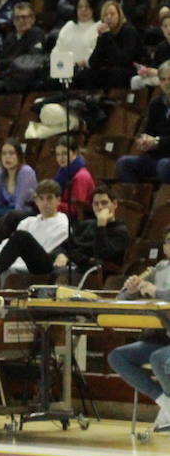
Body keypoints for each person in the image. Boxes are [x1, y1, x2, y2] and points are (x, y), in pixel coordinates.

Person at [106, 227, 170, 432]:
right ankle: (166, 403)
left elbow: (159, 293)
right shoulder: (159, 268)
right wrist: (131, 288)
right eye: (169, 241)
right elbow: (121, 299)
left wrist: (156, 291)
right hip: (161, 338)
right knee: (118, 357)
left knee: (159, 358)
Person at [0, 179, 69, 288]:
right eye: (41, 198)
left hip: (45, 265)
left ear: (58, 200)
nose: (45, 203)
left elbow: (49, 250)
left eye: (49, 198)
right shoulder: (28, 222)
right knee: (16, 239)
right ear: (36, 201)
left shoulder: (63, 223)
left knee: (21, 236)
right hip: (22, 261)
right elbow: (8, 245)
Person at [114, 61, 170, 184]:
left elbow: (157, 140)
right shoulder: (156, 104)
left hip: (165, 161)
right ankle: (133, 199)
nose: (166, 83)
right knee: (124, 163)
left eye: (169, 79)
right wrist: (144, 140)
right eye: (163, 79)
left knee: (164, 165)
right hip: (157, 157)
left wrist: (158, 141)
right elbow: (147, 131)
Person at [55, 184, 129, 272]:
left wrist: (101, 225)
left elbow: (102, 255)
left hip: (91, 273)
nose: (100, 207)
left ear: (115, 204)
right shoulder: (86, 225)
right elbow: (63, 246)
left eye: (104, 203)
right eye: (96, 204)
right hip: (70, 265)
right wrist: (61, 254)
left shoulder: (120, 231)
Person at [77, 0, 142, 89]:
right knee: (86, 73)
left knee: (116, 73)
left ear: (119, 15)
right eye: (105, 15)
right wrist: (100, 39)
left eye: (112, 14)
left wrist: (107, 36)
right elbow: (93, 62)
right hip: (112, 69)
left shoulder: (128, 31)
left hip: (131, 69)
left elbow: (122, 61)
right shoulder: (105, 33)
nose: (108, 17)